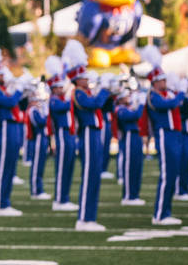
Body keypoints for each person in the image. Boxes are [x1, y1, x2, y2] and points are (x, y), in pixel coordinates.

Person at [66, 40, 110, 232]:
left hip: (95, 135)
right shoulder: (78, 93)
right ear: (77, 79)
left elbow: (104, 106)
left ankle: (90, 217)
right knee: (89, 177)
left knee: (95, 177)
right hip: (88, 135)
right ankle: (83, 219)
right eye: (83, 76)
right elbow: (94, 105)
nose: (87, 79)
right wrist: (105, 90)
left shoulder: (87, 91)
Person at [144, 45, 184, 226]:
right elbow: (169, 105)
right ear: (154, 82)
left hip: (173, 134)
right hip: (164, 135)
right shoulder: (153, 96)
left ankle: (166, 212)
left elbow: (184, 107)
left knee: (173, 174)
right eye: (161, 79)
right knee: (167, 175)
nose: (164, 81)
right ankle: (159, 214)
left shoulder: (166, 93)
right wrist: (181, 92)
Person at [0, 41, 25, 217]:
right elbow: (9, 102)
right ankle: (1, 204)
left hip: (13, 126)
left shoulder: (3, 88)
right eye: (0, 73)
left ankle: (6, 202)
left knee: (10, 164)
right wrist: (19, 90)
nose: (4, 75)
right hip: (5, 126)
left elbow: (18, 103)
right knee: (4, 166)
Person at [46, 55, 77, 212]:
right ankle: (59, 199)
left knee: (69, 166)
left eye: (60, 86)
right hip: (62, 135)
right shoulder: (53, 100)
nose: (60, 88)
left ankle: (65, 197)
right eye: (57, 87)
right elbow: (64, 107)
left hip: (69, 134)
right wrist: (69, 92)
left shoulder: (60, 98)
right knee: (63, 167)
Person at [116, 89, 145, 205]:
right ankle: (128, 196)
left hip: (136, 135)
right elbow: (135, 115)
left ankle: (134, 195)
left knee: (137, 167)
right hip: (128, 136)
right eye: (126, 96)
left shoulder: (128, 107)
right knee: (129, 167)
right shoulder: (120, 109)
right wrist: (141, 104)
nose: (129, 98)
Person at [173, 76, 188, 202]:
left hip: (187, 133)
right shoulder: (178, 97)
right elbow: (185, 113)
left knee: (187, 163)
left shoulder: (185, 97)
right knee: (181, 163)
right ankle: (179, 190)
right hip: (181, 133)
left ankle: (184, 189)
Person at [27, 92, 50, 200]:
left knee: (40, 166)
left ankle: (39, 189)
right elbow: (40, 123)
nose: (38, 103)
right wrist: (45, 114)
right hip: (37, 139)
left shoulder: (36, 110)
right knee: (36, 166)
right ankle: (36, 191)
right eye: (36, 100)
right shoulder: (32, 110)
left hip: (42, 139)